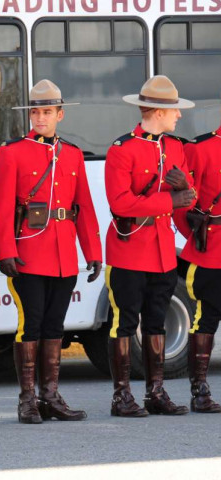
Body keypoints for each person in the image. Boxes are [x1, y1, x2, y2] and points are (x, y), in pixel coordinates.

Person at [0, 79, 102, 424]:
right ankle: (27, 399)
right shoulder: (12, 152)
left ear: (59, 115)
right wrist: (4, 252)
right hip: (28, 255)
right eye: (36, 112)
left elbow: (82, 205)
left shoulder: (71, 154)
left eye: (47, 112)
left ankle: (50, 396)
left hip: (63, 255)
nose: (41, 118)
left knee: (56, 326)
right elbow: (0, 208)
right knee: (31, 324)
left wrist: (92, 251)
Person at [105, 75, 196, 417]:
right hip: (128, 252)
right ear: (158, 111)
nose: (179, 116)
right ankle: (121, 396)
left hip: (161, 252)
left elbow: (188, 197)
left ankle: (155, 392)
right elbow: (121, 204)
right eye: (174, 110)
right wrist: (169, 199)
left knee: (156, 323)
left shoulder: (175, 147)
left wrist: (186, 188)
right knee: (125, 323)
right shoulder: (122, 149)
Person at [172, 112, 221, 414]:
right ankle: (199, 390)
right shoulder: (202, 149)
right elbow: (183, 204)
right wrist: (196, 236)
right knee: (207, 318)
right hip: (213, 248)